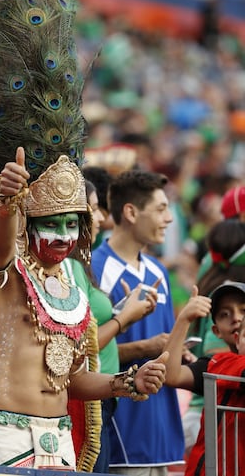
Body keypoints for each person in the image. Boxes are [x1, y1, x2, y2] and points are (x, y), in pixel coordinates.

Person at [0, 149, 168, 469]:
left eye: (71, 223)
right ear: (27, 224)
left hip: (62, 443)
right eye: (51, 224)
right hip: (3, 441)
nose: (63, 235)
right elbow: (0, 245)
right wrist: (6, 204)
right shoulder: (5, 273)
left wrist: (124, 382)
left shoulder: (74, 289)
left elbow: (74, 380)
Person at [91, 169, 186, 475]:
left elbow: (166, 340)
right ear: (131, 212)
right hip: (120, 431)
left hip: (159, 432)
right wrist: (145, 347)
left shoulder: (159, 271)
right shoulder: (95, 268)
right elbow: (81, 355)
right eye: (160, 209)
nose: (169, 219)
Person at [66, 179, 158, 473]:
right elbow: (78, 349)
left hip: (98, 397)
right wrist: (124, 319)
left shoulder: (81, 263)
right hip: (86, 401)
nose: (102, 218)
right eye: (94, 209)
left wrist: (123, 309)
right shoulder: (70, 267)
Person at [164, 280, 245, 476]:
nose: (236, 318)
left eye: (243, 310)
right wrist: (184, 319)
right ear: (216, 331)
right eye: (225, 314)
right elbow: (169, 375)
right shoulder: (215, 364)